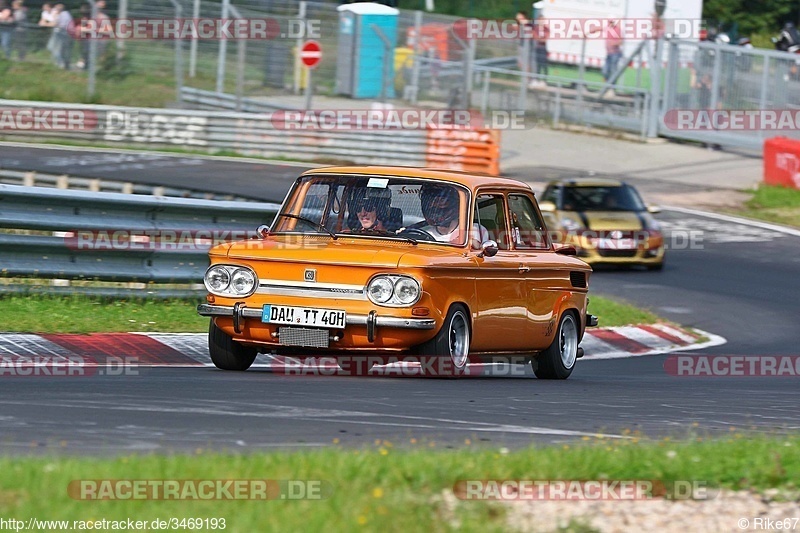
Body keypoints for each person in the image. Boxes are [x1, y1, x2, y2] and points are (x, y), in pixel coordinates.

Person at [416, 184, 489, 248]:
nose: (434, 205)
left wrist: (471, 241)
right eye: (430, 202)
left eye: (441, 201)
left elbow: (478, 251)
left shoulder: (474, 229)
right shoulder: (424, 234)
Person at [53, 3, 73, 69]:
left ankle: (63, 64)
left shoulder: (64, 14)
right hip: (63, 34)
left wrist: (55, 19)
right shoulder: (63, 14)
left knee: (63, 49)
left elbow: (61, 25)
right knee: (62, 49)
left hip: (65, 34)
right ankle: (63, 63)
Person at [603, 19, 623, 83]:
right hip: (609, 53)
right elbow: (598, 29)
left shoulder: (617, 30)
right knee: (605, 71)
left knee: (613, 71)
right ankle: (607, 85)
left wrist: (613, 43)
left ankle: (612, 87)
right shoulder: (607, 29)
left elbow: (621, 42)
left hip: (615, 54)